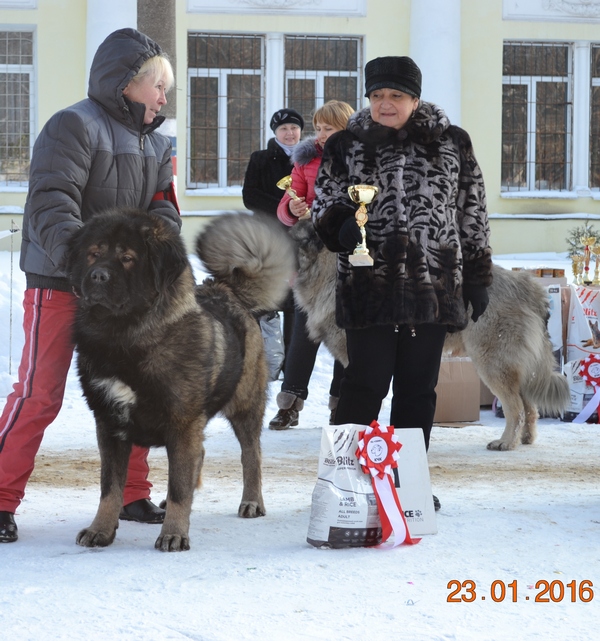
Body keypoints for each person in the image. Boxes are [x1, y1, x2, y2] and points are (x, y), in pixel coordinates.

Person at [0, 28, 181, 543]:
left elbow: (164, 209)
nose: (164, 98)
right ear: (127, 83)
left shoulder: (158, 142)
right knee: (40, 393)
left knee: (136, 390)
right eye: (158, 87)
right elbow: (51, 203)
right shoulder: (72, 126)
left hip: (128, 298)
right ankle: (0, 497)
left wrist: (154, 255)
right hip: (63, 282)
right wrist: (87, 270)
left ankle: (130, 494)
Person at [311, 57, 493, 510]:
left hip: (432, 287)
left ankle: (407, 482)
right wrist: (340, 226)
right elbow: (324, 204)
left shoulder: (453, 143)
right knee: (363, 385)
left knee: (417, 390)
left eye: (395, 96)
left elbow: (473, 212)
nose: (385, 104)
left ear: (415, 98)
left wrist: (478, 275)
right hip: (368, 287)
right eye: (376, 96)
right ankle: (342, 485)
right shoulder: (345, 145)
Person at [269, 100, 354, 430]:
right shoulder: (305, 160)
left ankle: (341, 403)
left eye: (328, 129)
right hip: (311, 257)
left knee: (345, 332)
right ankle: (290, 403)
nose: (320, 135)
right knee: (305, 332)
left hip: (347, 256)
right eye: (317, 128)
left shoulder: (360, 160)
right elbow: (283, 210)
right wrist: (293, 207)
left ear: (344, 128)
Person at [242, 108, 305, 366]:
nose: (289, 133)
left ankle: (292, 359)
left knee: (295, 300)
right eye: (283, 129)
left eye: (294, 128)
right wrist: (285, 208)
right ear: (275, 133)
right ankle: (267, 359)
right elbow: (250, 197)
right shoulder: (260, 159)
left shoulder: (309, 159)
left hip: (300, 238)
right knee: (267, 298)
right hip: (268, 238)